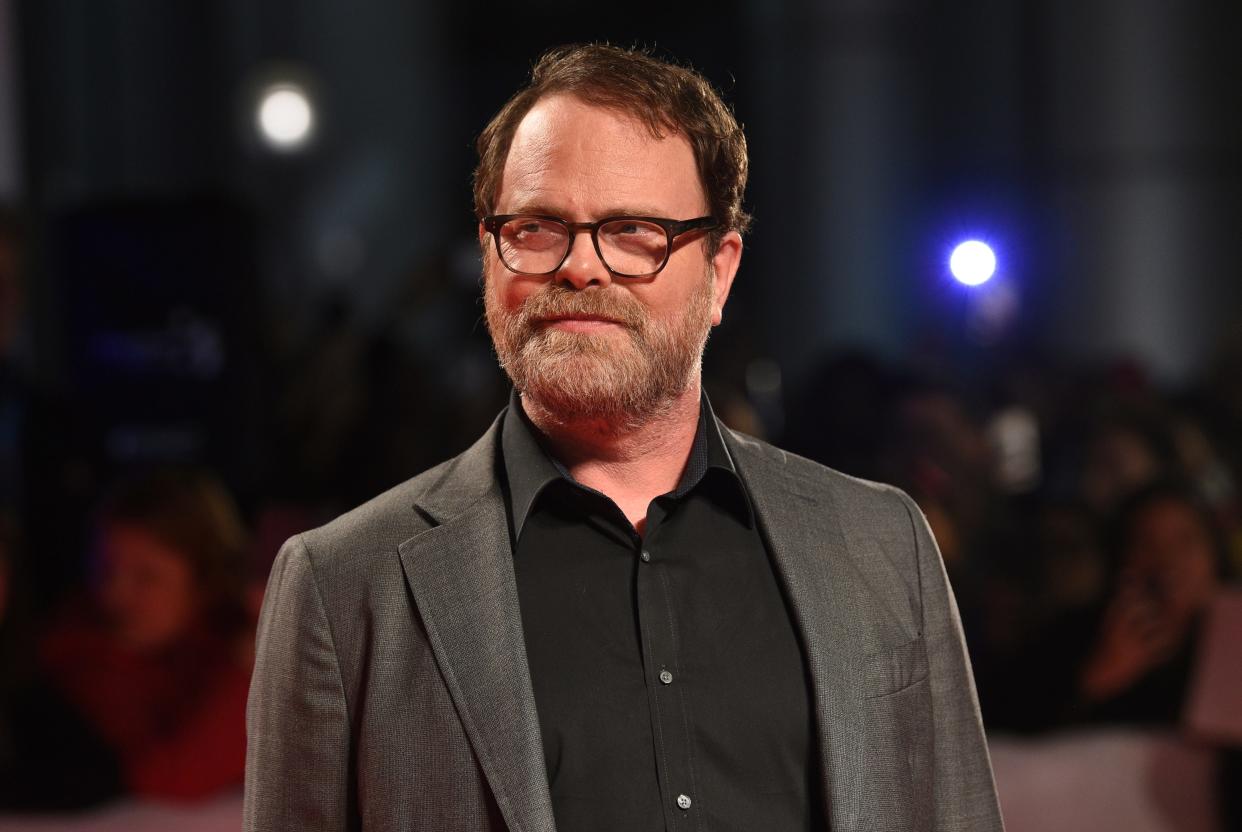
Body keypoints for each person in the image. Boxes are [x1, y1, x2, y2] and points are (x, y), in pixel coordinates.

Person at [246, 44, 1003, 832]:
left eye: (633, 230)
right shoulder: (343, 586)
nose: (580, 267)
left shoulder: (882, 546)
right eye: (537, 227)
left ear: (720, 272)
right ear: (488, 256)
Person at [38, 467, 254, 802]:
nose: (113, 594)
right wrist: (252, 667)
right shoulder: (78, 648)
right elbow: (164, 780)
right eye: (104, 567)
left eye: (146, 577)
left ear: (205, 584)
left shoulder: (227, 633)